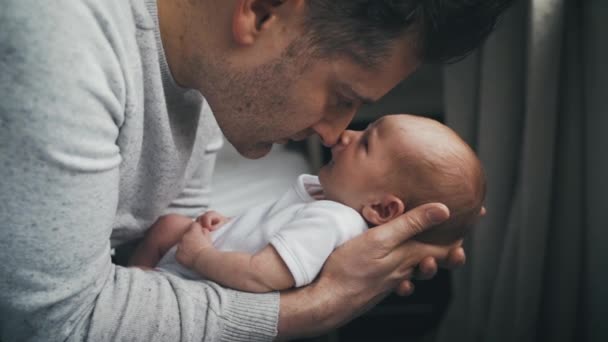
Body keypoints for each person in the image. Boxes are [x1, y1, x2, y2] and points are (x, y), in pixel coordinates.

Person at [0, 0, 512, 341]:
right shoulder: (60, 46)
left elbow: (156, 248)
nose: (336, 134)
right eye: (342, 97)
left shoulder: (208, 80)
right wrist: (320, 304)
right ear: (263, 11)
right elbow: (50, 322)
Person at [129, 114, 486, 293]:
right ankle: (135, 280)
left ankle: (137, 286)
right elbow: (267, 226)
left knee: (169, 233)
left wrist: (200, 256)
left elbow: (261, 275)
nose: (346, 135)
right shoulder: (328, 199)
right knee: (170, 225)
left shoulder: (332, 222)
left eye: (364, 145)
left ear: (382, 209)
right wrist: (228, 223)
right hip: (216, 251)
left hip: (201, 279)